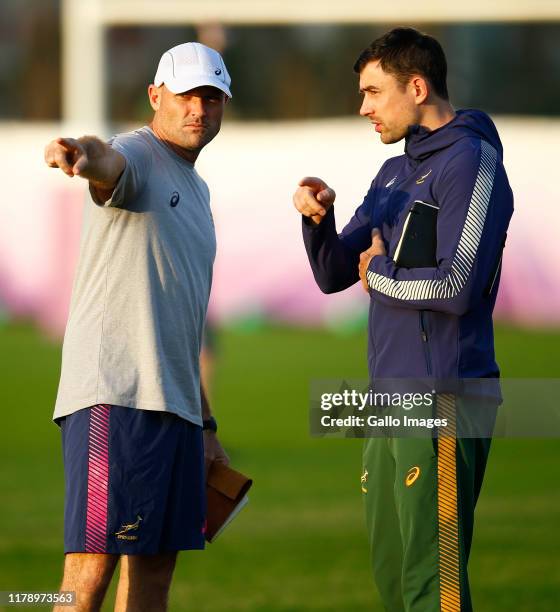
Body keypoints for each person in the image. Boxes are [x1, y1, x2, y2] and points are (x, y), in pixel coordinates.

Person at [293, 27, 513, 611]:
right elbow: (337, 272)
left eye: (372, 92)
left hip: (443, 395)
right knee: (393, 579)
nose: (363, 107)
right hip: (384, 399)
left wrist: (380, 273)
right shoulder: (394, 172)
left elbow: (457, 285)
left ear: (416, 86)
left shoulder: (473, 161)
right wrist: (319, 218)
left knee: (430, 586)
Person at [44, 42, 231, 612]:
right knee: (90, 569)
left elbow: (178, 324)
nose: (198, 109)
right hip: (115, 397)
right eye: (186, 95)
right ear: (156, 96)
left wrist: (204, 423)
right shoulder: (139, 153)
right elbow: (107, 161)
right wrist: (81, 153)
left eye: (211, 97)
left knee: (153, 570)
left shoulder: (197, 190)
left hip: (173, 409)